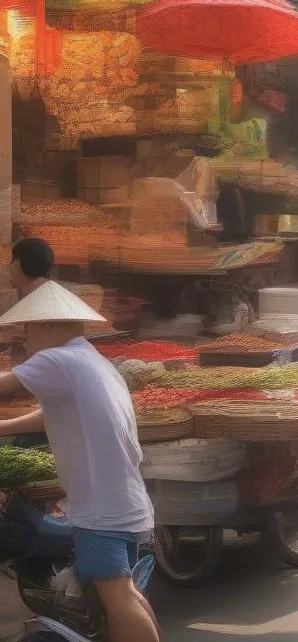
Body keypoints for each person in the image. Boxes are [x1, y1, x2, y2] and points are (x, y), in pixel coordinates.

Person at [0, 239, 158, 642]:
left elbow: (5, 385)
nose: (25, 340)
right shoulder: (89, 360)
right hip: (123, 502)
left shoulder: (58, 360)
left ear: (51, 325)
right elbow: (51, 414)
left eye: (29, 330)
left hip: (102, 508)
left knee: (119, 599)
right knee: (125, 597)